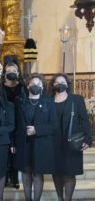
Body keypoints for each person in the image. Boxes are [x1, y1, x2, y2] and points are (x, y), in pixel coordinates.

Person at [13, 73, 57, 201]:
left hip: (41, 144)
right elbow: (15, 124)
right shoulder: (21, 101)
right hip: (24, 143)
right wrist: (13, 143)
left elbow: (53, 125)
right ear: (28, 86)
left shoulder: (49, 102)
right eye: (32, 84)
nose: (35, 86)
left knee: (37, 174)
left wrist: (37, 130)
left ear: (42, 87)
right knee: (26, 174)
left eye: (38, 84)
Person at [50, 73, 92, 201]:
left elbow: (84, 120)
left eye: (63, 82)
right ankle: (60, 198)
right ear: (53, 85)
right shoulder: (47, 100)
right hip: (53, 142)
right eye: (57, 82)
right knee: (56, 173)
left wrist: (87, 139)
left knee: (69, 173)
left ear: (67, 84)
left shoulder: (77, 99)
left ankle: (67, 199)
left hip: (72, 142)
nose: (60, 84)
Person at [1, 56, 25, 189]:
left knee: (15, 150)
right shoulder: (1, 87)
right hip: (5, 121)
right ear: (5, 72)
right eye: (8, 70)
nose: (11, 72)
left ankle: (15, 178)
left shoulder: (22, 87)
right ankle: (5, 177)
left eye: (13, 70)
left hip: (19, 121)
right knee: (6, 149)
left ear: (17, 72)